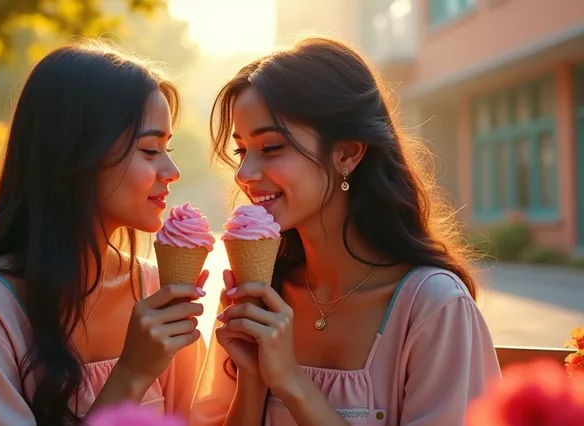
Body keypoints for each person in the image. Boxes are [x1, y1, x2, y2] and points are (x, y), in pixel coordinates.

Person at [191, 37, 501, 425]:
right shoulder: (259, 293)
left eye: (270, 147)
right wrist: (251, 379)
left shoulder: (433, 308)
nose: (244, 174)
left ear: (348, 153)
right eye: (241, 151)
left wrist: (290, 381)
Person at [0, 42, 207, 426]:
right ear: (77, 155)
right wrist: (132, 372)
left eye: (167, 148)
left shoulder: (153, 289)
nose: (171, 170)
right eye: (150, 149)